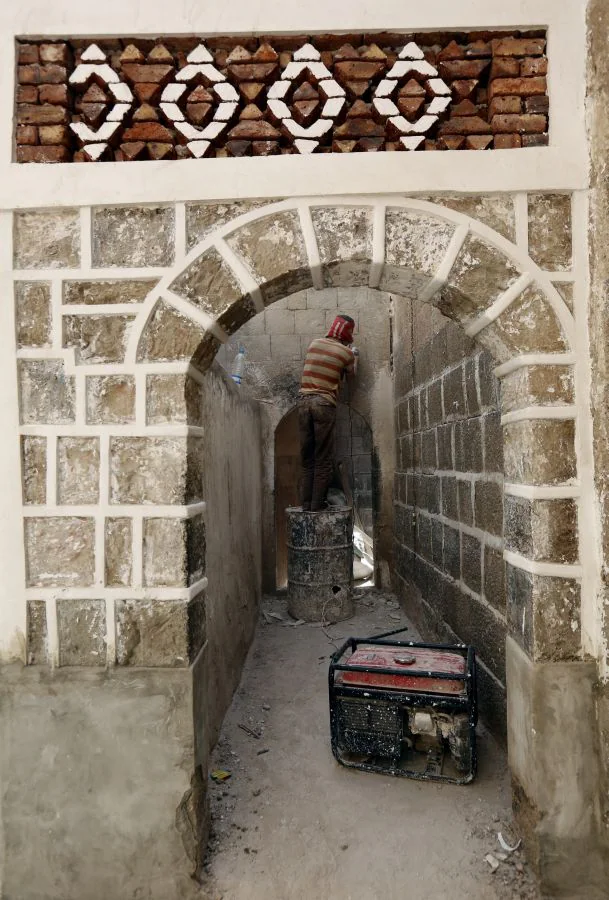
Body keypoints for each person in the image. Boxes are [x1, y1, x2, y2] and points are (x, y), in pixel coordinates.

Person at [298, 314, 359, 511]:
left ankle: (306, 505)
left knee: (308, 459)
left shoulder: (314, 343)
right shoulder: (346, 353)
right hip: (323, 404)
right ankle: (317, 506)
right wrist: (354, 356)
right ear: (347, 335)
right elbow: (352, 378)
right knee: (323, 459)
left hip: (304, 402)